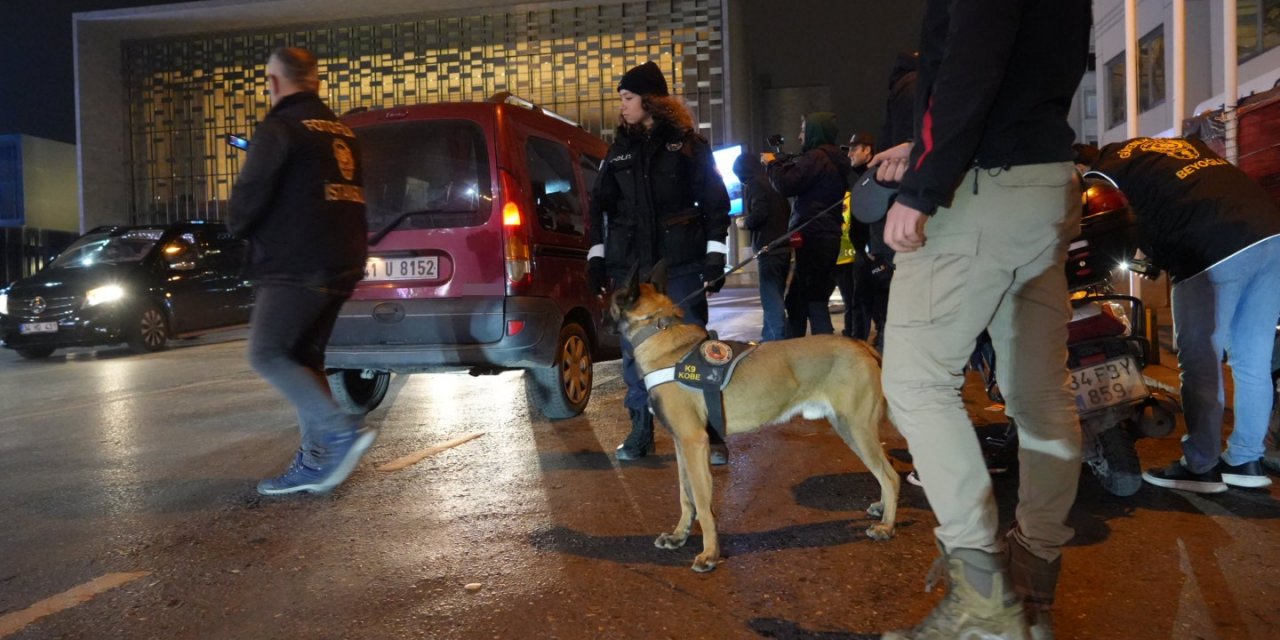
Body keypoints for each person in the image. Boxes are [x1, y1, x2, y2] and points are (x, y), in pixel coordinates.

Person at [870, 2, 1093, 638]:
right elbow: (1020, 72)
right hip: (1043, 183)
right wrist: (925, 146)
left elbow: (970, 63)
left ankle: (985, 605)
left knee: (915, 382)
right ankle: (1032, 584)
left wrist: (922, 184)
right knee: (1040, 392)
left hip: (982, 191)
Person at [1080, 137, 1280, 493]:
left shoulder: (1102, 172)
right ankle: (1246, 460)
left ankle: (1201, 466)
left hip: (1209, 244)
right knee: (1253, 358)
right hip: (1270, 233)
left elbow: (1111, 222)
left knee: (1199, 356)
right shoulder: (1160, 149)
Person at [227, 47, 375, 496]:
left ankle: (337, 431)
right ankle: (315, 460)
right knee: (303, 360)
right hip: (342, 260)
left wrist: (237, 225)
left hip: (295, 263)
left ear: (274, 82)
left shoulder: (281, 127)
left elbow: (249, 195)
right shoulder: (342, 131)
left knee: (267, 353)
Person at [587, 61, 732, 464]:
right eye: (622, 99)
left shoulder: (687, 145)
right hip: (631, 266)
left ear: (651, 100)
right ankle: (641, 431)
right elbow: (597, 209)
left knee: (691, 341)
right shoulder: (617, 151)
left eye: (628, 98)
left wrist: (715, 257)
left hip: (681, 262)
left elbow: (716, 204)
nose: (622, 107)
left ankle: (709, 432)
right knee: (635, 349)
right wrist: (596, 258)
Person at [764, 112, 851, 338]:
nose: (800, 136)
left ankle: (812, 351)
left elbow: (786, 185)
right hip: (828, 233)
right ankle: (808, 350)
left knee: (809, 299)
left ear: (814, 131)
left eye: (803, 130)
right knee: (808, 297)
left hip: (813, 234)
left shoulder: (816, 158)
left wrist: (772, 165)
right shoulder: (836, 160)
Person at [733, 151, 792, 342]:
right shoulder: (773, 180)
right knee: (776, 296)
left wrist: (744, 223)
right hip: (783, 248)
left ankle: (775, 341)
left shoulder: (755, 183)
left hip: (769, 248)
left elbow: (760, 213)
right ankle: (769, 337)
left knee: (771, 300)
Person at [839, 132, 875, 339]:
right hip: (861, 249)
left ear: (867, 150)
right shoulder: (857, 179)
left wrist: (871, 247)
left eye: (854, 148)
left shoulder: (875, 176)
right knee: (859, 300)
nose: (850, 153)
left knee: (868, 302)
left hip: (871, 251)